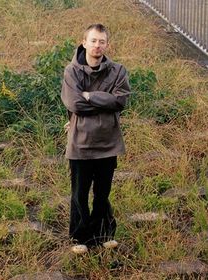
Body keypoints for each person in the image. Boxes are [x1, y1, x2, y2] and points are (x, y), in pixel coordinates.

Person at [61, 23, 130, 254]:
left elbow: (120, 101)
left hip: (108, 142)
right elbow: (75, 103)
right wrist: (104, 101)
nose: (97, 45)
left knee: (103, 192)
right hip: (80, 142)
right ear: (84, 42)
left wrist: (90, 95)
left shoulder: (118, 71)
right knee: (79, 192)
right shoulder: (72, 71)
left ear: (107, 45)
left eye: (102, 41)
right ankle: (79, 236)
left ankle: (103, 233)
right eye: (93, 40)